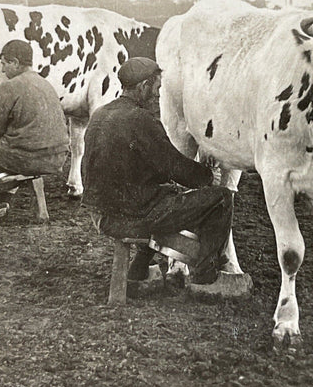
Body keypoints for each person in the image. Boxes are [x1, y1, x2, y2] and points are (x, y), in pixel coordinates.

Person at [81, 57, 233, 286]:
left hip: (101, 211)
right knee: (221, 199)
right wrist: (209, 176)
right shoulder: (140, 119)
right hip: (127, 217)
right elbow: (174, 166)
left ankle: (138, 270)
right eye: (157, 89)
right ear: (143, 87)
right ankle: (205, 275)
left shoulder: (100, 115)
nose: (159, 96)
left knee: (160, 196)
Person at [0, 39, 69, 225]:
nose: (2, 70)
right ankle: (3, 197)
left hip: (27, 158)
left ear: (15, 63)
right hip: (57, 158)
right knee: (3, 147)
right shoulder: (45, 83)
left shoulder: (10, 86)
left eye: (4, 64)